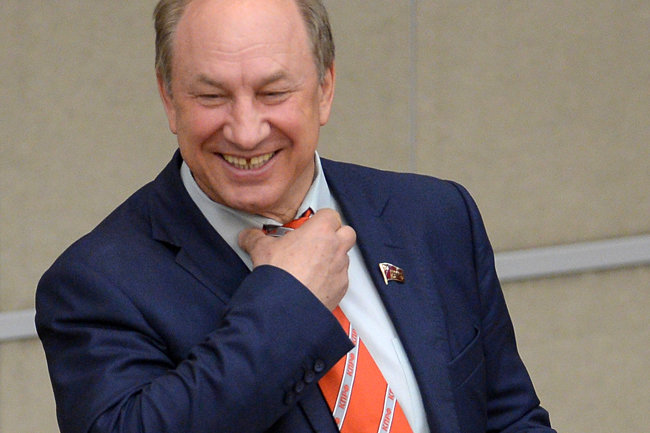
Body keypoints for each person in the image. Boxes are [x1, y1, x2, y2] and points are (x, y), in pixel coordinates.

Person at [35, 0, 556, 432]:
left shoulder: (433, 216)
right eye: (212, 96)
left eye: (273, 93)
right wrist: (288, 302)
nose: (245, 131)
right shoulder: (96, 284)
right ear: (169, 98)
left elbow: (509, 418)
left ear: (325, 88)